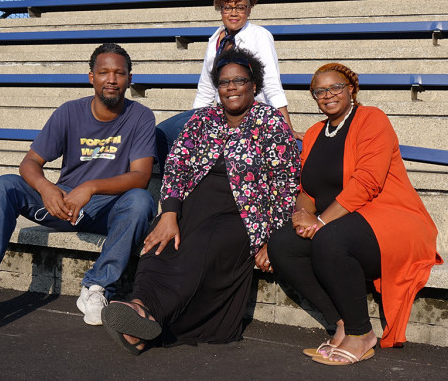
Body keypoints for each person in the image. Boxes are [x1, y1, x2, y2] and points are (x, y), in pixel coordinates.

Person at [0, 43, 157, 327]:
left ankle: (96, 289)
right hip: (60, 204)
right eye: (104, 72)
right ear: (91, 77)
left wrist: (91, 187)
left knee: (140, 201)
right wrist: (46, 188)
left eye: (119, 73)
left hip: (105, 209)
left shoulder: (141, 116)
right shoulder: (69, 112)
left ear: (129, 79)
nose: (111, 79)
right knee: (5, 185)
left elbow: (140, 176)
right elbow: (30, 163)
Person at [101, 47, 300, 355]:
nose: (231, 87)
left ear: (254, 85)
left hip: (243, 215)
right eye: (224, 82)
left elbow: (286, 187)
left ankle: (148, 322)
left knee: (200, 249)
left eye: (239, 80)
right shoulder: (202, 120)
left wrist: (270, 240)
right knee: (160, 241)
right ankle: (139, 304)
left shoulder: (271, 124)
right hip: (194, 204)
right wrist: (169, 214)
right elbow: (177, 165)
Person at [268, 63, 442, 366]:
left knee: (329, 239)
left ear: (352, 89)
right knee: (283, 245)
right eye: (319, 91)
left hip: (391, 219)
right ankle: (342, 324)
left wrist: (320, 221)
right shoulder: (312, 133)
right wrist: (301, 215)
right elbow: (307, 189)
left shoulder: (372, 119)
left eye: (335, 87)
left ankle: (363, 334)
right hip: (345, 221)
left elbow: (367, 182)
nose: (327, 95)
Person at [155, 0, 301, 167]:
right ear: (220, 9)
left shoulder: (259, 36)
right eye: (228, 7)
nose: (234, 13)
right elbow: (206, 88)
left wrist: (286, 128)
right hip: (220, 110)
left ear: (249, 10)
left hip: (249, 111)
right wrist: (196, 123)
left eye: (240, 7)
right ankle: (180, 182)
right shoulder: (215, 39)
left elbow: (272, 85)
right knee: (162, 132)